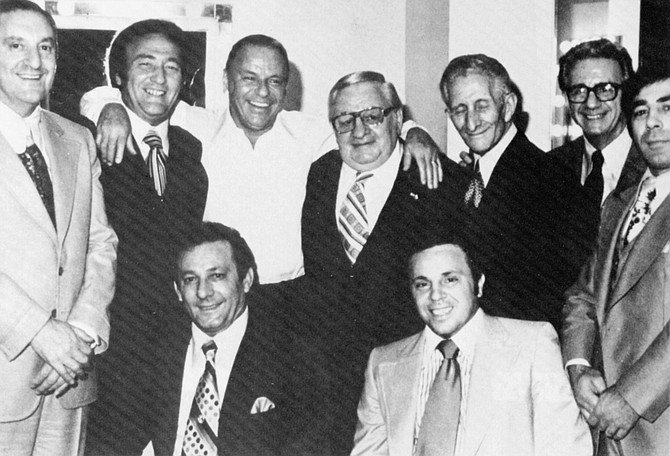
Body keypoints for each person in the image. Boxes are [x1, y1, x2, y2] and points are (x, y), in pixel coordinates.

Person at [81, 34, 443, 286]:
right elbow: (119, 99)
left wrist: (412, 130)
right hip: (218, 301)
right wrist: (110, 106)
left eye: (274, 81)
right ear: (227, 81)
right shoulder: (195, 125)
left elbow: (366, 123)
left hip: (291, 300)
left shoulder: (310, 132)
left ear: (286, 88)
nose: (262, 93)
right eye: (249, 78)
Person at [300, 71, 469, 454]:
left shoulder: (439, 181)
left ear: (397, 119)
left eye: (372, 116)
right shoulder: (321, 174)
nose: (359, 130)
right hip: (327, 382)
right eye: (345, 120)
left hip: (405, 382)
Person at [84, 19, 208, 455]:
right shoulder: (87, 140)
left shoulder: (191, 148)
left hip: (177, 350)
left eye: (172, 67)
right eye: (145, 64)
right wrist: (107, 105)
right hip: (109, 354)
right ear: (119, 75)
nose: (160, 78)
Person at [0, 1, 117, 454]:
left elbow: (100, 243)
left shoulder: (78, 138)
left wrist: (81, 333)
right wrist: (40, 332)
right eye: (16, 45)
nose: (34, 61)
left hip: (69, 379)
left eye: (45, 47)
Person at [352, 238, 592, 456]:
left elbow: (566, 449)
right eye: (423, 284)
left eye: (450, 279)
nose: (435, 295)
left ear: (479, 284)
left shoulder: (532, 344)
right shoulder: (383, 363)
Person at [562, 61, 670, 456]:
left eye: (667, 107)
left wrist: (632, 396)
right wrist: (578, 366)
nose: (652, 123)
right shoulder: (619, 203)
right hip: (605, 420)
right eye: (641, 111)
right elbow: (584, 294)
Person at [440, 53, 578, 331]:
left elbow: (550, 293)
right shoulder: (465, 178)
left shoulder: (549, 177)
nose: (471, 123)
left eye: (482, 106)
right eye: (459, 110)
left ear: (508, 106)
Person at [140, 221, 300, 456]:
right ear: (177, 291)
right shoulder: (152, 352)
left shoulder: (290, 355)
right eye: (190, 279)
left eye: (216, 276)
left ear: (246, 280)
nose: (203, 292)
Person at [550, 39, 646, 265]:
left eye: (605, 89)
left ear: (627, 93)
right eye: (578, 91)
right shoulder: (549, 168)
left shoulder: (654, 165)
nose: (591, 103)